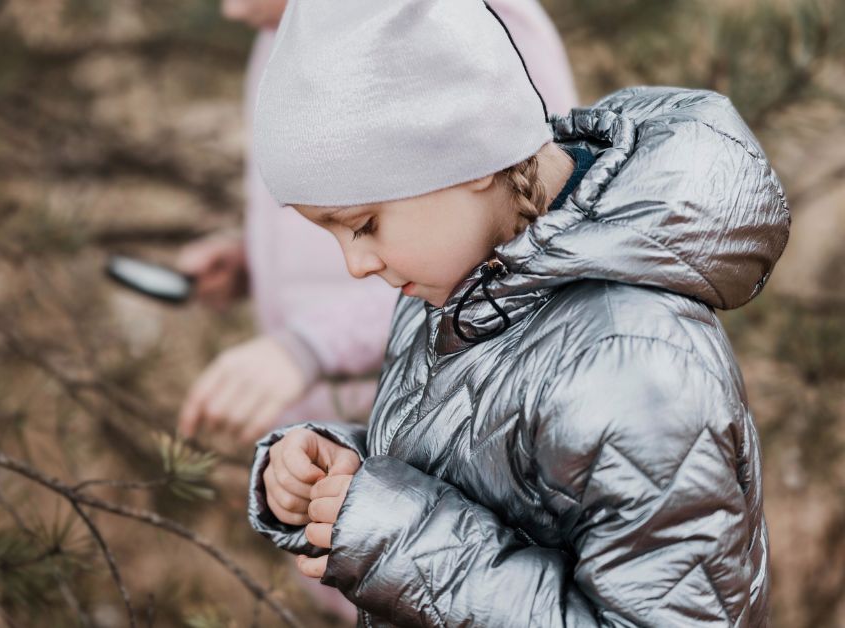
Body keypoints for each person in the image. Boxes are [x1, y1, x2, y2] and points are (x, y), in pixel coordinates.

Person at [246, 0, 789, 626]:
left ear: (468, 157)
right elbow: (477, 470)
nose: (356, 266)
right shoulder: (457, 288)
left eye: (364, 225)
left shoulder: (633, 357)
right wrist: (346, 470)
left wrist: (398, 537)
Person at [176, 0, 578, 447]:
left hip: (444, 422)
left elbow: (527, 217)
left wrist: (315, 345)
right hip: (356, 446)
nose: (229, 12)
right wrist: (254, 258)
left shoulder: (455, 19)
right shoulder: (281, 36)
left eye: (365, 227)